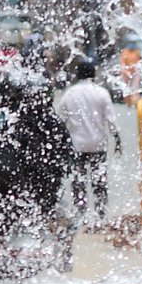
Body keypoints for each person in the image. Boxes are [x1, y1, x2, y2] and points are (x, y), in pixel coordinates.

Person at [0, 70, 73, 277]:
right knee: (67, 222)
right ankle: (64, 264)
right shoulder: (55, 125)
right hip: (46, 202)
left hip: (3, 197)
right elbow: (69, 160)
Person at [57, 58, 122, 226]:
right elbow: (112, 120)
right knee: (99, 182)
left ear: (77, 75)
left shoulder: (69, 94)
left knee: (78, 183)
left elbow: (60, 121)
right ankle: (101, 218)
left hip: (76, 146)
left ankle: (81, 217)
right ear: (93, 74)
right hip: (98, 145)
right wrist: (117, 140)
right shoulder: (102, 93)